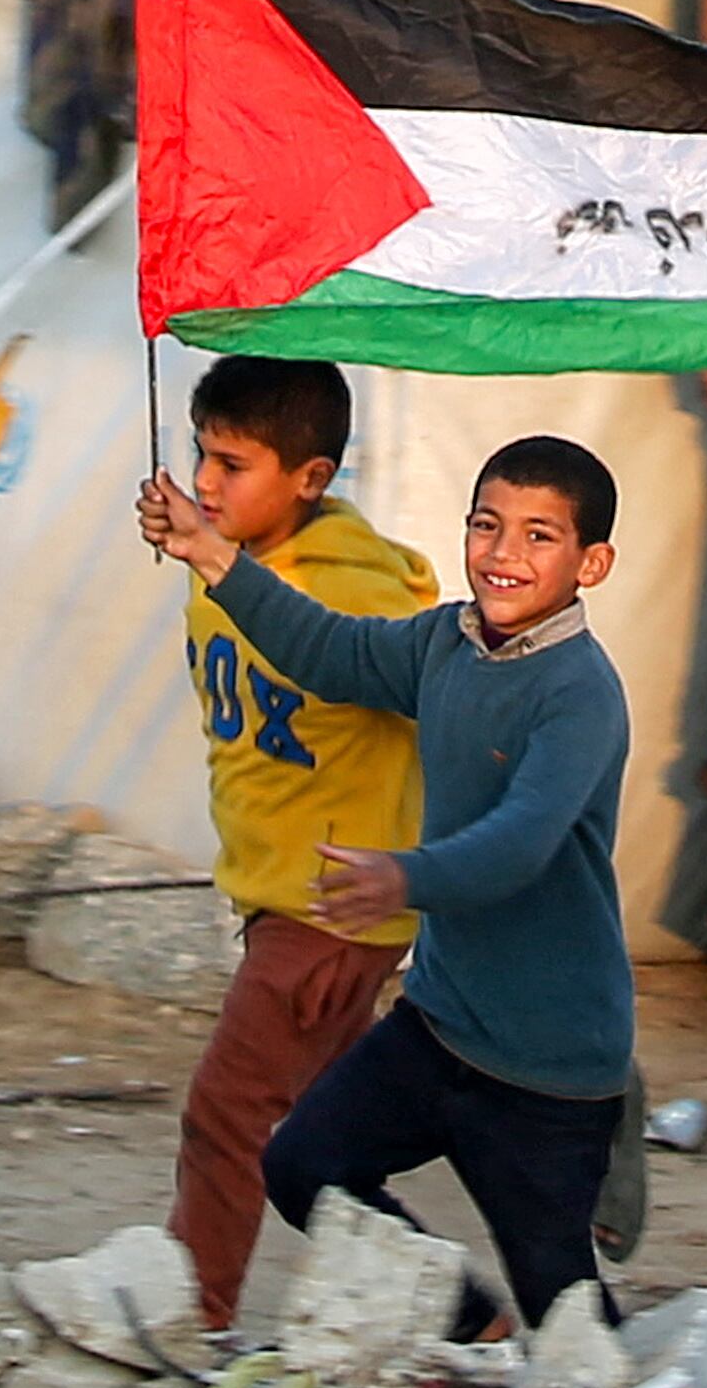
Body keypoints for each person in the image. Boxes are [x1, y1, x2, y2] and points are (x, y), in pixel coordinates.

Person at [139, 431, 633, 1338]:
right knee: (303, 1167)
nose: (502, 555)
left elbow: (518, 845)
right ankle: (467, 1330)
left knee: (568, 1316)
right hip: (440, 1026)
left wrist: (401, 875)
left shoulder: (580, 694)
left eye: (538, 536)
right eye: (487, 526)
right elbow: (331, 652)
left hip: (546, 1061)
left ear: (590, 563)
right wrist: (211, 552)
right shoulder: (445, 644)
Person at [161, 358, 441, 1330]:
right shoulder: (220, 566)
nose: (204, 481)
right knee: (324, 1155)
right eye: (202, 453)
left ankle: (191, 1322)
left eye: (233, 463)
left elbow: (410, 687)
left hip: (327, 912)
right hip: (276, 900)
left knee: (227, 1116)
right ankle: (462, 1320)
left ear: (310, 479)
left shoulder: (361, 595)